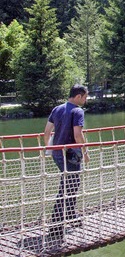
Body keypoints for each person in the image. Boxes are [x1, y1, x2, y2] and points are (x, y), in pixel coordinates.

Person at [44, 84, 90, 241]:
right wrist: (85, 152)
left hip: (57, 153)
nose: (85, 100)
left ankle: (71, 215)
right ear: (78, 96)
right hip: (70, 155)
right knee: (67, 187)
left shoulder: (57, 109)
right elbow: (78, 135)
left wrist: (49, 148)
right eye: (85, 97)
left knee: (71, 183)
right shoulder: (77, 111)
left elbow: (47, 131)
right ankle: (56, 227)